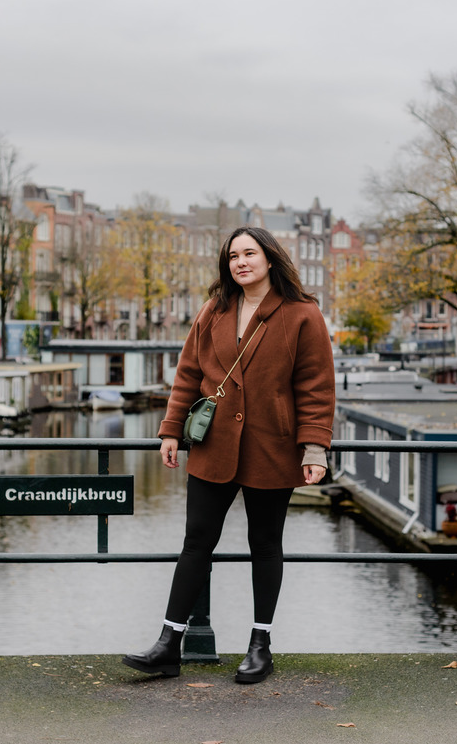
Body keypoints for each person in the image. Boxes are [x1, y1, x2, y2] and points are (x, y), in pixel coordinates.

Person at [123, 226, 335, 684]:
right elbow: (188, 375)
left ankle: (261, 646)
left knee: (266, 545)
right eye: (233, 255)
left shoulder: (302, 314)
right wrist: (171, 432)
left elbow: (315, 387)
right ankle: (168, 644)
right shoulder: (213, 310)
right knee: (196, 542)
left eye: (250, 253)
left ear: (271, 259)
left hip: (272, 447)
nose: (241, 262)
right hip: (213, 445)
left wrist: (314, 447)